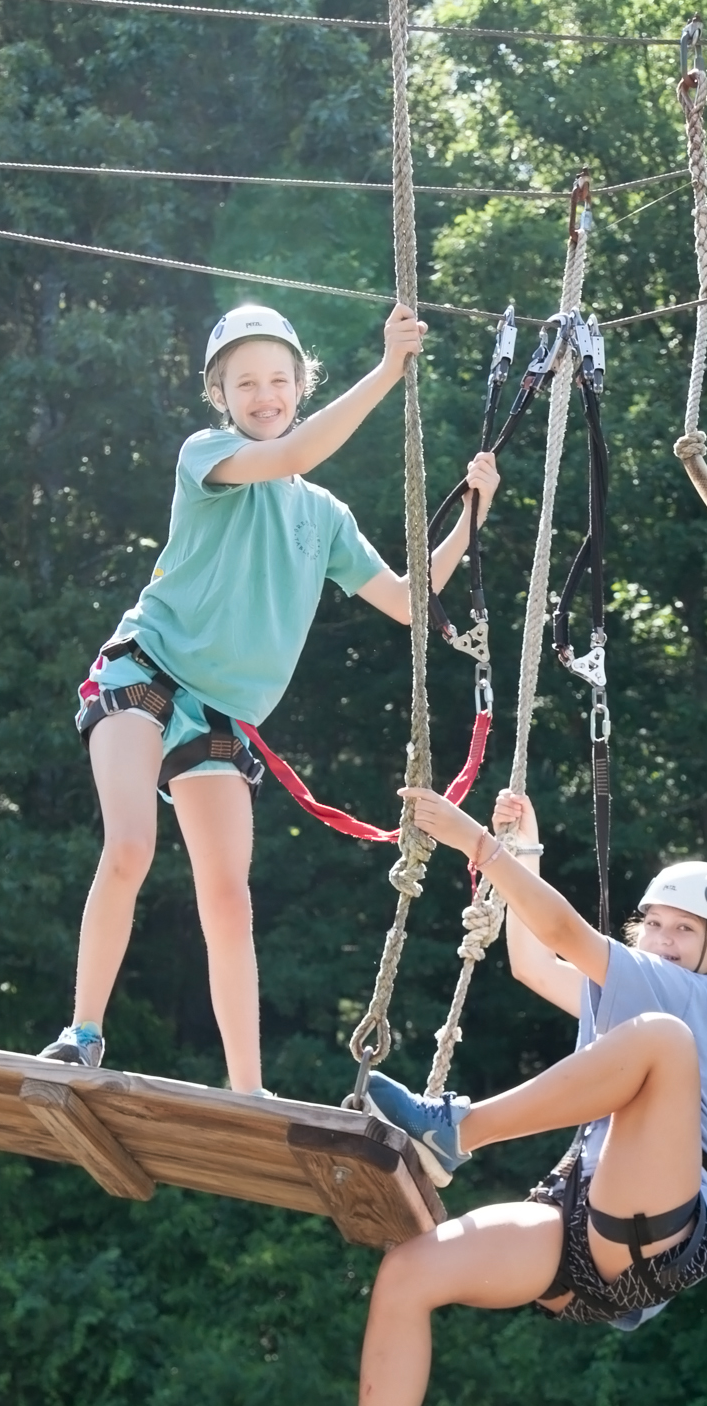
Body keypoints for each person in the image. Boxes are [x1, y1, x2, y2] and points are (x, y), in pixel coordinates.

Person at [270, 785, 707, 1406]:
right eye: (655, 924)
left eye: (687, 931)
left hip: (662, 1225)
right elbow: (535, 961)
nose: (664, 940)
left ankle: (458, 1131)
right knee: (408, 1274)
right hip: (585, 1223)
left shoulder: (702, 1001)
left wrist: (476, 842)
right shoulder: (638, 986)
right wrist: (526, 850)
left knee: (658, 1041)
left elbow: (568, 935)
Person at [40, 302, 500, 1090]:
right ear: (219, 395)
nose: (264, 396)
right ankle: (82, 1033)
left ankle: (247, 1088)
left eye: (279, 381)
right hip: (144, 670)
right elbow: (294, 451)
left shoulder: (322, 516)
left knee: (229, 897)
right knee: (132, 846)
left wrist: (471, 519)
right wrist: (388, 370)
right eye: (245, 383)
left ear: (299, 385)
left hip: (221, 715)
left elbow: (407, 599)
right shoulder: (209, 458)